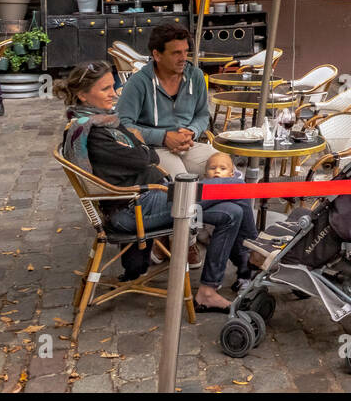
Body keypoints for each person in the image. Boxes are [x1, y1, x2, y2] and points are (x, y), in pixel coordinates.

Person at [58, 61, 261, 310]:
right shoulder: (95, 133)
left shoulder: (104, 122)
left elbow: (142, 151)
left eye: (112, 86)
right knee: (235, 187)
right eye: (105, 89)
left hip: (149, 198)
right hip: (133, 209)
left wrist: (140, 144)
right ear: (82, 95)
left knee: (233, 211)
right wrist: (141, 146)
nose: (113, 93)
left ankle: (208, 291)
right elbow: (146, 157)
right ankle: (253, 258)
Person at [116, 22, 215, 176]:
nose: (183, 58)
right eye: (176, 53)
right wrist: (163, 137)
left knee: (227, 169)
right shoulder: (139, 82)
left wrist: (192, 131)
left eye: (186, 51)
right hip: (152, 148)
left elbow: (202, 114)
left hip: (188, 145)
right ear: (157, 55)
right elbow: (122, 125)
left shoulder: (195, 76)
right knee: (182, 181)